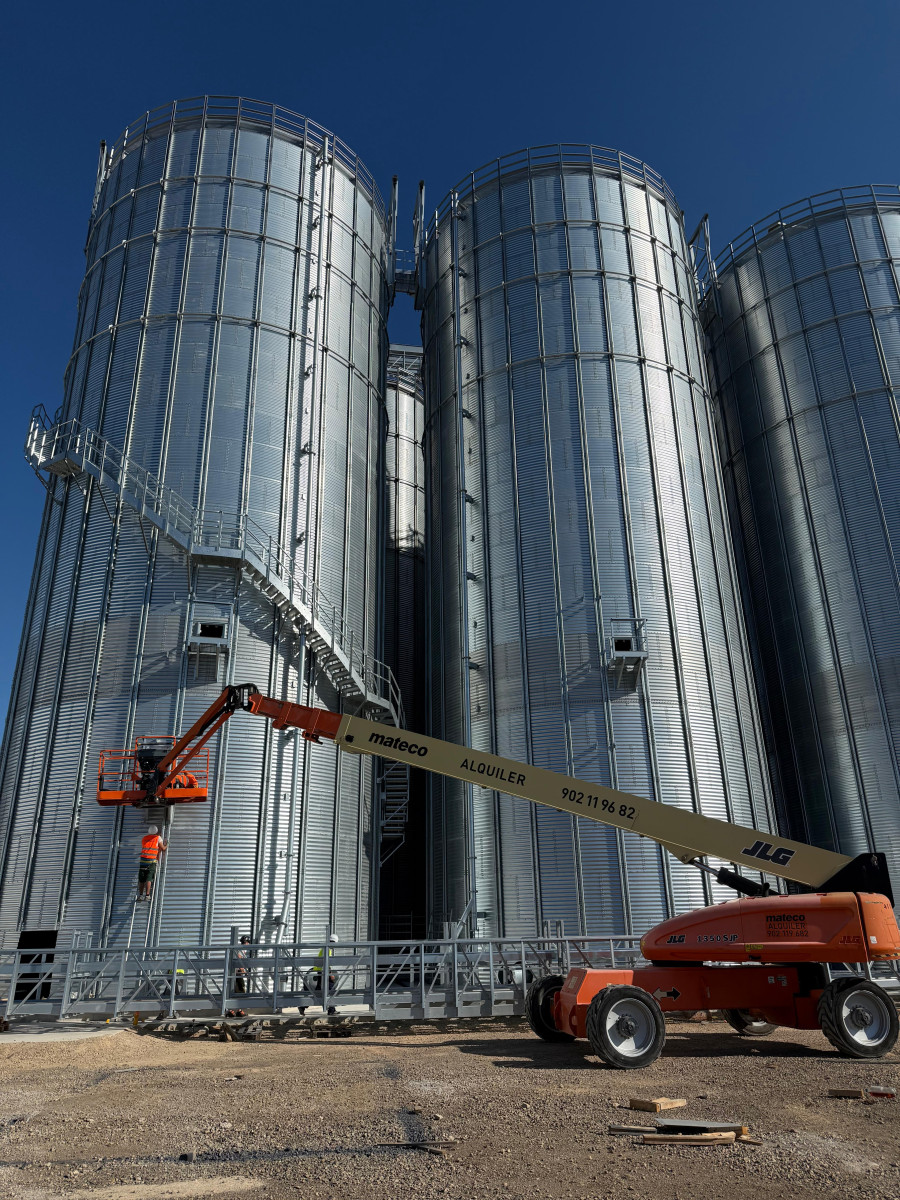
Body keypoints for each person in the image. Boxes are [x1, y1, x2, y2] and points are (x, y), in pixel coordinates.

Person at [311, 933, 339, 1015]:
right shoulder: (327, 949)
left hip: (321, 972)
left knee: (319, 992)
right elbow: (326, 963)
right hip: (323, 972)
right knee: (330, 989)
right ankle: (331, 1010)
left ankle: (332, 1009)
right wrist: (331, 975)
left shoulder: (325, 948)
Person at [138, 825, 167, 901]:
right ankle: (147, 895)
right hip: (151, 861)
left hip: (142, 861)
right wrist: (167, 844)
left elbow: (147, 847)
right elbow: (163, 848)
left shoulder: (144, 838)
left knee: (142, 879)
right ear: (156, 832)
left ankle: (140, 896)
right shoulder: (158, 838)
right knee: (149, 878)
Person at [228, 935, 251, 1017]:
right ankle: (239, 1011)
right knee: (241, 991)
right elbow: (239, 959)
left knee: (233, 991)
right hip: (237, 973)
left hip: (233, 972)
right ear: (247, 942)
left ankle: (231, 1010)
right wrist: (243, 971)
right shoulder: (241, 948)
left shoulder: (238, 948)